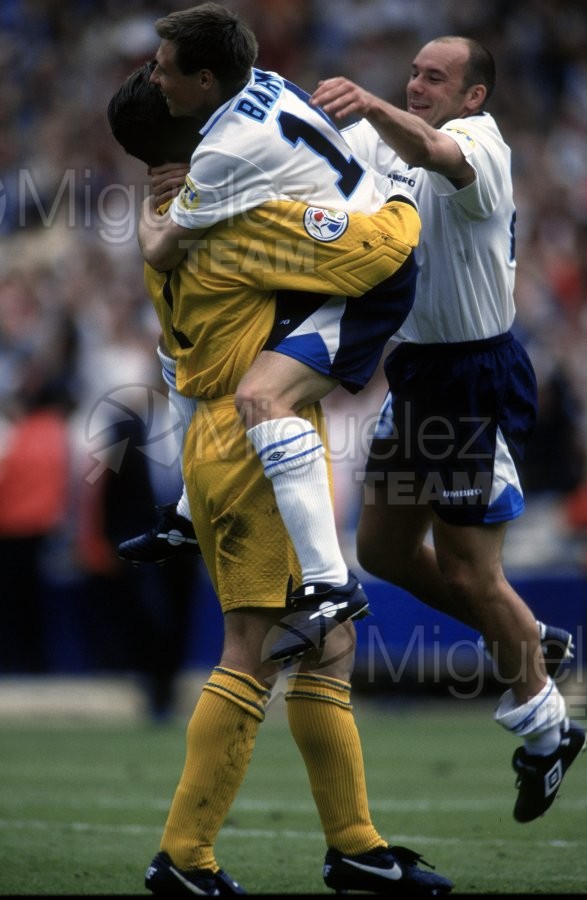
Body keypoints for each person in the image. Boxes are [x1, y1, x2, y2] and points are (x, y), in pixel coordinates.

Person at [108, 53, 454, 896]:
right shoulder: (238, 220)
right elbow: (363, 252)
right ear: (196, 140)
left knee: (322, 646)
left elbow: (165, 341)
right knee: (255, 649)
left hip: (218, 440)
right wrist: (399, 184)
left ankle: (355, 848)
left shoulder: (171, 228)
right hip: (251, 436)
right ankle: (185, 857)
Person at [311, 35, 585, 824]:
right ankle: (534, 638)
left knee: (468, 571)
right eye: (414, 73)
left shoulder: (479, 146)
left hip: (471, 379)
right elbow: (315, 144)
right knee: (382, 551)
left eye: (437, 77)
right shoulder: (386, 133)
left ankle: (546, 730)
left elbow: (431, 149)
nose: (418, 83)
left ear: (473, 97)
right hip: (419, 373)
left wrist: (370, 104)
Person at [135, 2, 426, 664]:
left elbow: (159, 248)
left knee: (261, 397)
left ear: (206, 79)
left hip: (360, 277)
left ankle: (331, 581)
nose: (153, 77)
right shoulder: (260, 83)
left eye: (163, 68)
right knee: (186, 341)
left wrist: (152, 211)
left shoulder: (222, 150)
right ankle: (188, 509)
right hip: (334, 255)